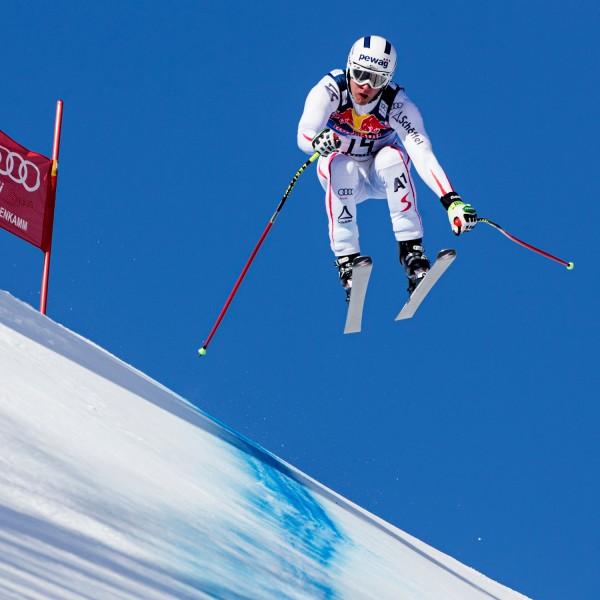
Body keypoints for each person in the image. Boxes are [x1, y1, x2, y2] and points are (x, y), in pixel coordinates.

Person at [297, 35, 477, 300]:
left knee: (392, 157)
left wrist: (452, 201)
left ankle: (412, 251)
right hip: (344, 179)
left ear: (388, 79)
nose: (366, 86)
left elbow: (422, 154)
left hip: (381, 177)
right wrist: (316, 141)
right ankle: (347, 261)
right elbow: (304, 130)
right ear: (349, 67)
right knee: (341, 164)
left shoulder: (396, 104)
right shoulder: (332, 89)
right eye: (359, 74)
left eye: (377, 79)